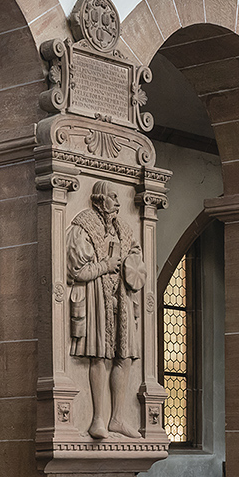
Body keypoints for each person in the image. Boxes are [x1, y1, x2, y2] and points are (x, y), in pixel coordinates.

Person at [68, 183, 145, 439]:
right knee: (99, 356)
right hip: (96, 295)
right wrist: (105, 265)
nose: (118, 201)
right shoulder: (84, 225)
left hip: (121, 297)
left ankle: (118, 418)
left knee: (123, 356)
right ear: (100, 199)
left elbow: (136, 258)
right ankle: (98, 419)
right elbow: (75, 270)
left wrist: (130, 265)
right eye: (113, 196)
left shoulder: (124, 229)